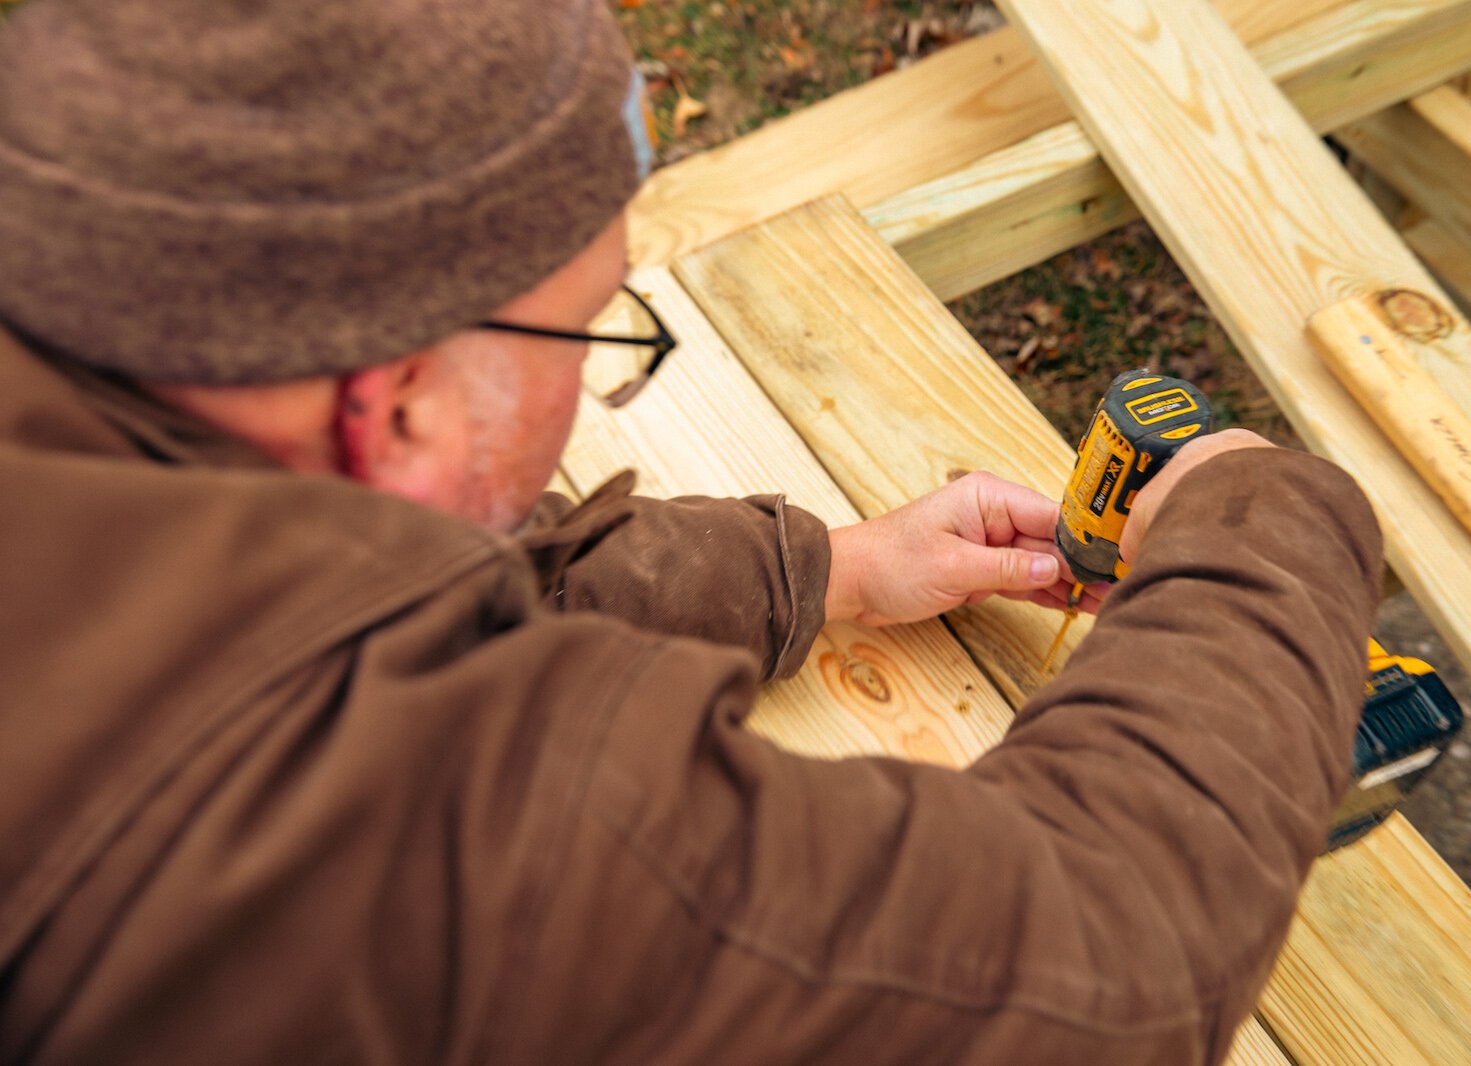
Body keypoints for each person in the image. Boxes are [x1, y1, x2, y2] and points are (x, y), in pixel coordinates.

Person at [0, 0, 1383, 1062]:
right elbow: (1109, 960)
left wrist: (826, 569)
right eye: (593, 325)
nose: (598, 369)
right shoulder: (401, 812)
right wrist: (1257, 518)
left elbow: (372, 565)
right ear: (396, 402)